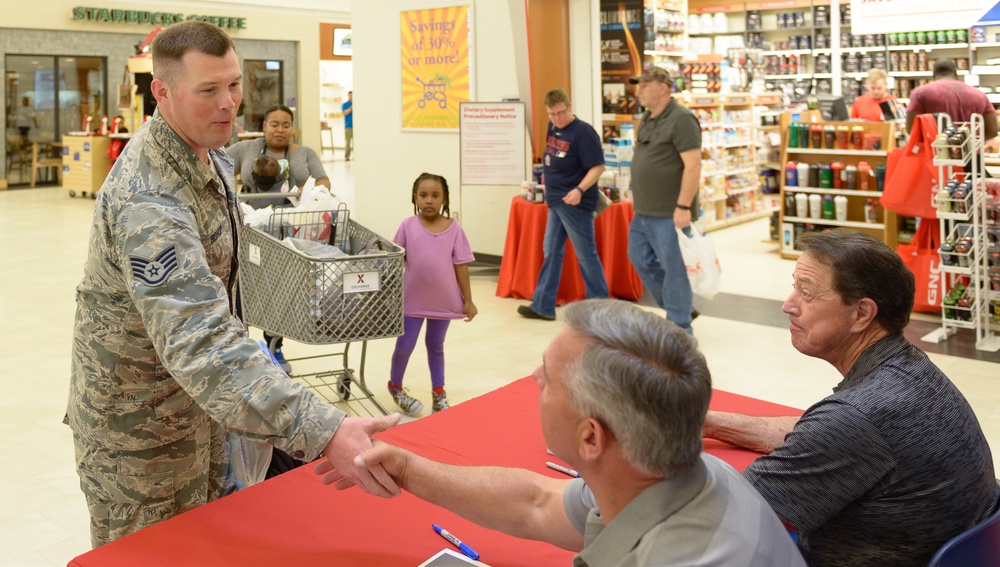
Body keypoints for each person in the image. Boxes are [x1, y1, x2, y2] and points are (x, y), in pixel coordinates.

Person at [65, 21, 399, 548]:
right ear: (163, 92)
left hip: (202, 414)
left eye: (234, 85)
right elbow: (200, 341)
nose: (229, 104)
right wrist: (325, 429)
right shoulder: (148, 200)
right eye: (209, 90)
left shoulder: (211, 152)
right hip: (141, 440)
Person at [320, 299, 806, 566]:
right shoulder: (680, 476)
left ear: (592, 438)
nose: (532, 378)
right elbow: (536, 503)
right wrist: (406, 468)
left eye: (549, 377)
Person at [702, 229, 999, 566]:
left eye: (806, 292)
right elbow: (812, 437)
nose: (788, 305)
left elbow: (722, 513)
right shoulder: (911, 370)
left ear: (861, 314)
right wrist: (713, 424)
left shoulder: (856, 417)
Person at [227, 104, 332, 370]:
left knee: (279, 289)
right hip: (250, 230)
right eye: (274, 124)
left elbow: (323, 181)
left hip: (287, 232)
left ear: (292, 128)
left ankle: (276, 348)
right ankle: (242, 346)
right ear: (264, 126)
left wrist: (307, 193)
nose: (280, 130)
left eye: (286, 125)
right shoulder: (246, 149)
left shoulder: (304, 154)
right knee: (242, 287)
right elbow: (219, 168)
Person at [388, 173, 477, 415]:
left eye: (435, 196)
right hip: (412, 301)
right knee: (405, 345)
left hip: (443, 302)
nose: (429, 200)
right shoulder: (407, 225)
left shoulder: (454, 228)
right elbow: (397, 261)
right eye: (424, 195)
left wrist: (468, 301)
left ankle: (439, 393)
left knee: (436, 345)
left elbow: (461, 266)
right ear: (415, 198)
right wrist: (388, 296)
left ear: (445, 199)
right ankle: (395, 386)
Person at [517, 89, 607, 322]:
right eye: (552, 114)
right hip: (556, 201)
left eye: (561, 113)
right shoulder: (553, 128)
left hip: (575, 203)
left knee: (586, 255)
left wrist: (579, 190)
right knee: (551, 252)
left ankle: (600, 309)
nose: (557, 118)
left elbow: (597, 167)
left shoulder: (583, 133)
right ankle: (543, 305)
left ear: (569, 107)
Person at [626, 67, 701, 334]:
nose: (639, 90)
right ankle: (677, 305)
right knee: (639, 258)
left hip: (670, 211)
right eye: (639, 85)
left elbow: (693, 165)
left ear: (663, 87)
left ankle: (680, 328)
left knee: (674, 268)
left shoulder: (682, 119)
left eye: (645, 85)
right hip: (644, 209)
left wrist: (683, 206)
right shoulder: (647, 118)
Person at [906, 59, 998, 148]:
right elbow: (993, 130)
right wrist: (971, 143)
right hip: (972, 156)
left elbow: (912, 129)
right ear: (955, 74)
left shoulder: (920, 93)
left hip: (936, 156)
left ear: (934, 75)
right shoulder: (979, 94)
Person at [342, 90, 353, 161]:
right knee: (347, 142)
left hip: (357, 127)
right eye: (350, 95)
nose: (351, 97)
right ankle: (347, 156)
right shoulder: (345, 104)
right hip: (348, 126)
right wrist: (351, 108)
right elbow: (344, 113)